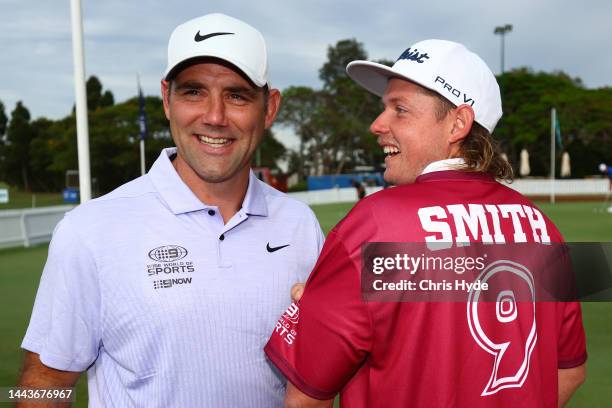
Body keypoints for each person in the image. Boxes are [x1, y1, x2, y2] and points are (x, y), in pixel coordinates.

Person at [18, 13, 324, 407]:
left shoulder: (300, 226)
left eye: (237, 95)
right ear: (166, 99)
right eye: (193, 92)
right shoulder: (89, 230)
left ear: (269, 108)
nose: (214, 116)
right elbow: (42, 384)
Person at [265, 39, 586, 407]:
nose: (377, 124)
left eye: (399, 110)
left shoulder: (375, 223)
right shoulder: (544, 229)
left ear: (457, 125)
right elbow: (569, 371)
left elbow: (305, 397)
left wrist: (320, 308)